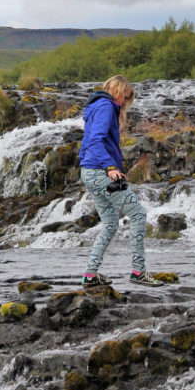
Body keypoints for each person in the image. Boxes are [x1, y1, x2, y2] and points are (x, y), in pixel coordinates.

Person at [78, 75, 163, 288]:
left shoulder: (96, 107)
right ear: (118, 91)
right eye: (125, 98)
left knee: (109, 223)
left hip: (90, 171)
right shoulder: (106, 107)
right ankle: (138, 272)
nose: (126, 103)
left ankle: (90, 274)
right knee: (138, 213)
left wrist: (97, 166)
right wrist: (110, 167)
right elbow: (96, 141)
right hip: (100, 172)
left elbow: (88, 142)